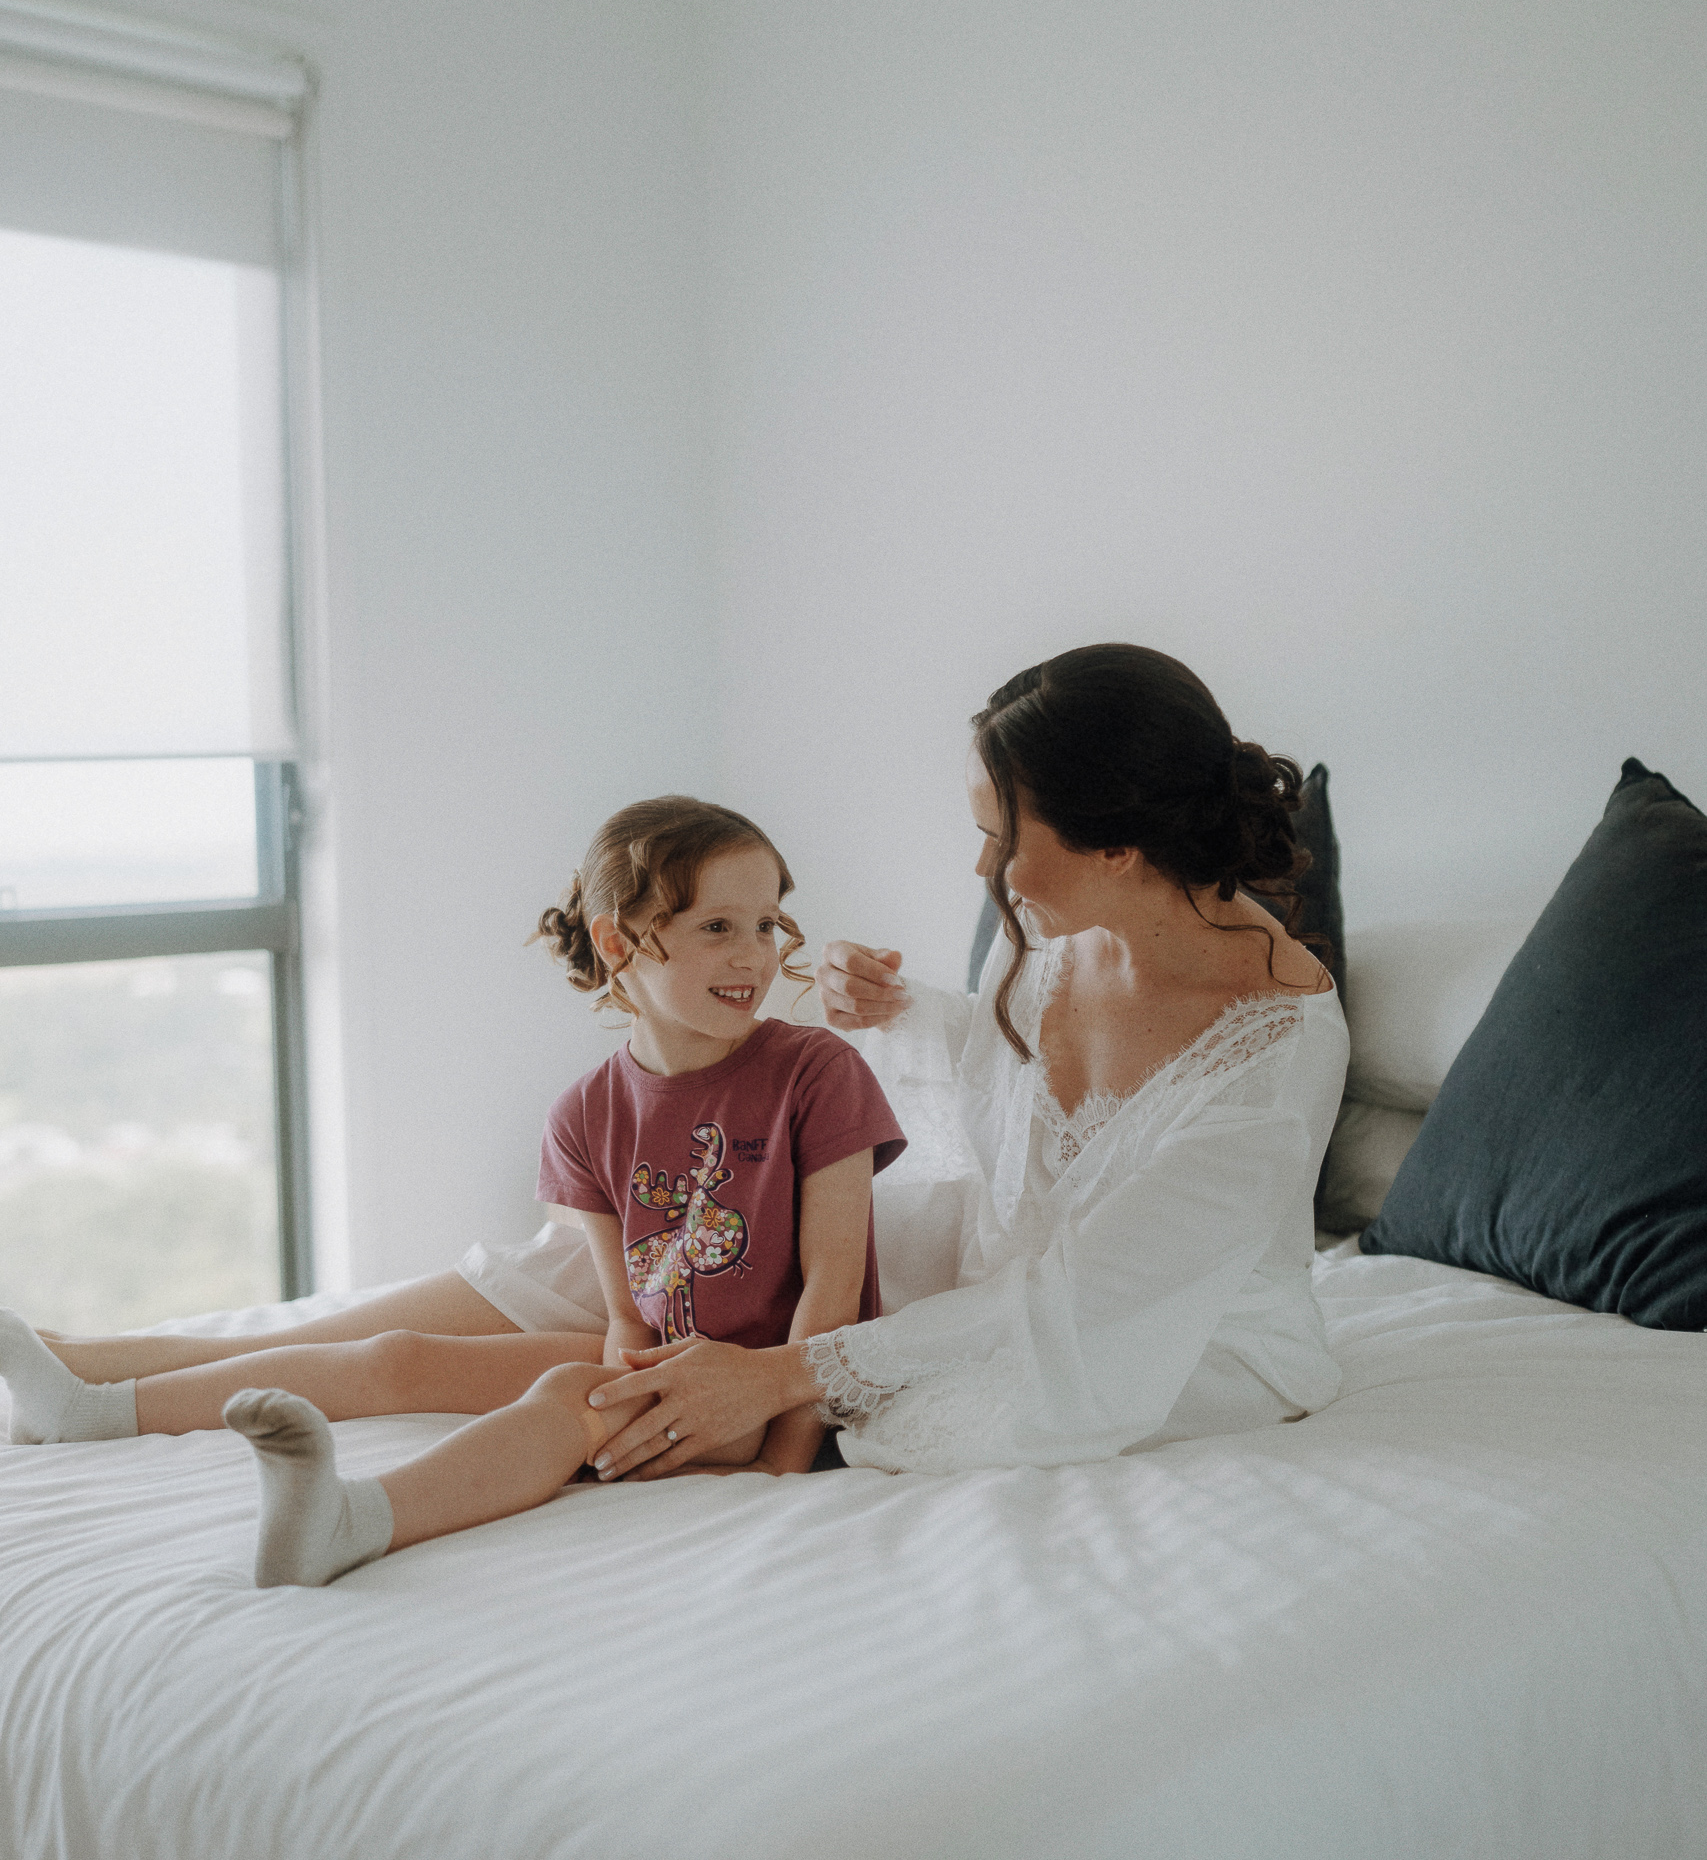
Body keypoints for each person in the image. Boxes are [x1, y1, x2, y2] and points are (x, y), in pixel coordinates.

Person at [0, 798, 904, 1583]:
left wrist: (784, 1468)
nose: (751, 953)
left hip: (777, 1390)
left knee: (557, 1399)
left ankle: (355, 1521)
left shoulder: (816, 1072)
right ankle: (95, 1409)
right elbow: (632, 1314)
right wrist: (619, 1389)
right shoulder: (584, 1112)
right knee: (398, 1357)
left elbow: (832, 1288)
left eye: (766, 924)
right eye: (717, 926)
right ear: (618, 941)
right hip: (671, 1370)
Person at [581, 644, 1348, 1481]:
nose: (983, 867)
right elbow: (1022, 1076)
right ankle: (412, 1353)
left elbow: (1081, 1291)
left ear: (1116, 847)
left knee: (930, 1414)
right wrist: (893, 1004)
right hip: (1002, 1256)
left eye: (999, 838)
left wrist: (778, 1378)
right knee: (709, 1244)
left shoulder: (1274, 1056)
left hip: (1160, 1328)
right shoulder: (1055, 928)